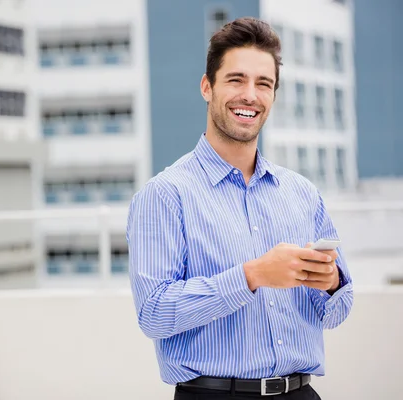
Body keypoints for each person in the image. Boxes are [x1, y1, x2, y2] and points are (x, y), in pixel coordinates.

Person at [126, 17, 353, 400]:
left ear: (274, 96)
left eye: (263, 84)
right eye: (236, 79)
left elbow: (337, 311)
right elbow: (154, 313)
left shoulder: (302, 193)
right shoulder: (165, 194)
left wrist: (331, 284)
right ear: (207, 87)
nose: (250, 95)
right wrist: (252, 276)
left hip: (302, 392)